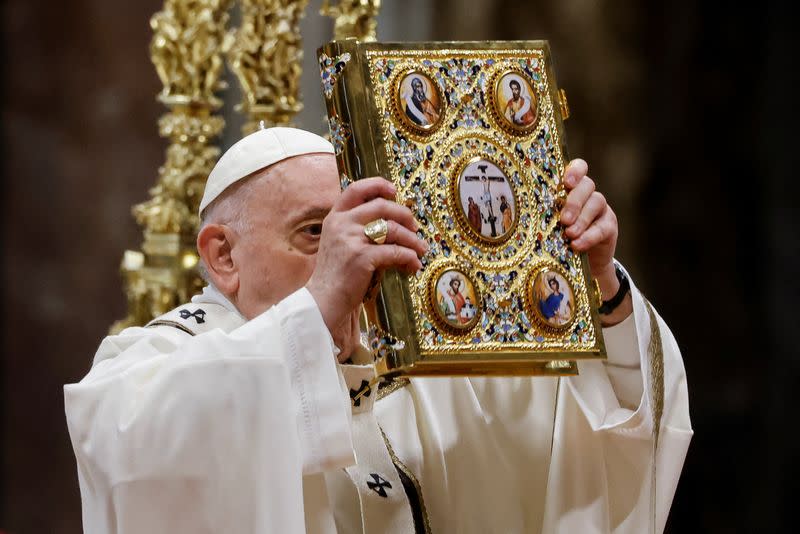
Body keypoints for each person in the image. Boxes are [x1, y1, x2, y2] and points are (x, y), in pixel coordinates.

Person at [65, 127, 692, 533]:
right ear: (223, 255)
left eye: (370, 225)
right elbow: (133, 452)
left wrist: (594, 289)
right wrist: (313, 311)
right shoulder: (155, 365)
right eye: (318, 233)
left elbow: (597, 430)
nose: (358, 254)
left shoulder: (423, 357)